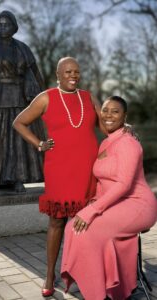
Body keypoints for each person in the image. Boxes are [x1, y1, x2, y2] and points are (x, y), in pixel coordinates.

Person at [13, 56, 102, 296]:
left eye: (76, 72)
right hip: (60, 169)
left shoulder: (88, 97)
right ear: (58, 75)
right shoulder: (46, 97)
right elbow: (19, 122)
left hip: (88, 169)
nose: (73, 75)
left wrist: (124, 130)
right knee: (57, 221)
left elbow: (105, 127)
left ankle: (82, 272)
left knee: (85, 222)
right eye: (68, 72)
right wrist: (39, 144)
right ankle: (50, 273)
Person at [61, 96, 157, 300]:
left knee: (88, 230)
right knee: (73, 227)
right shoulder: (105, 142)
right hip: (117, 202)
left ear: (125, 116)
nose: (109, 115)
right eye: (105, 110)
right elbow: (103, 182)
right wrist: (93, 203)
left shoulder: (129, 143)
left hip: (138, 204)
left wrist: (92, 211)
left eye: (116, 111)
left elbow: (123, 184)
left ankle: (100, 294)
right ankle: (104, 286)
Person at [0, 10, 46, 192]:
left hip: (21, 98)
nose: (2, 27)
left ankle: (18, 177)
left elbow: (35, 73)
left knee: (18, 140)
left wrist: (44, 96)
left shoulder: (22, 48)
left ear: (14, 27)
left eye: (7, 24)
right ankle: (0, 177)